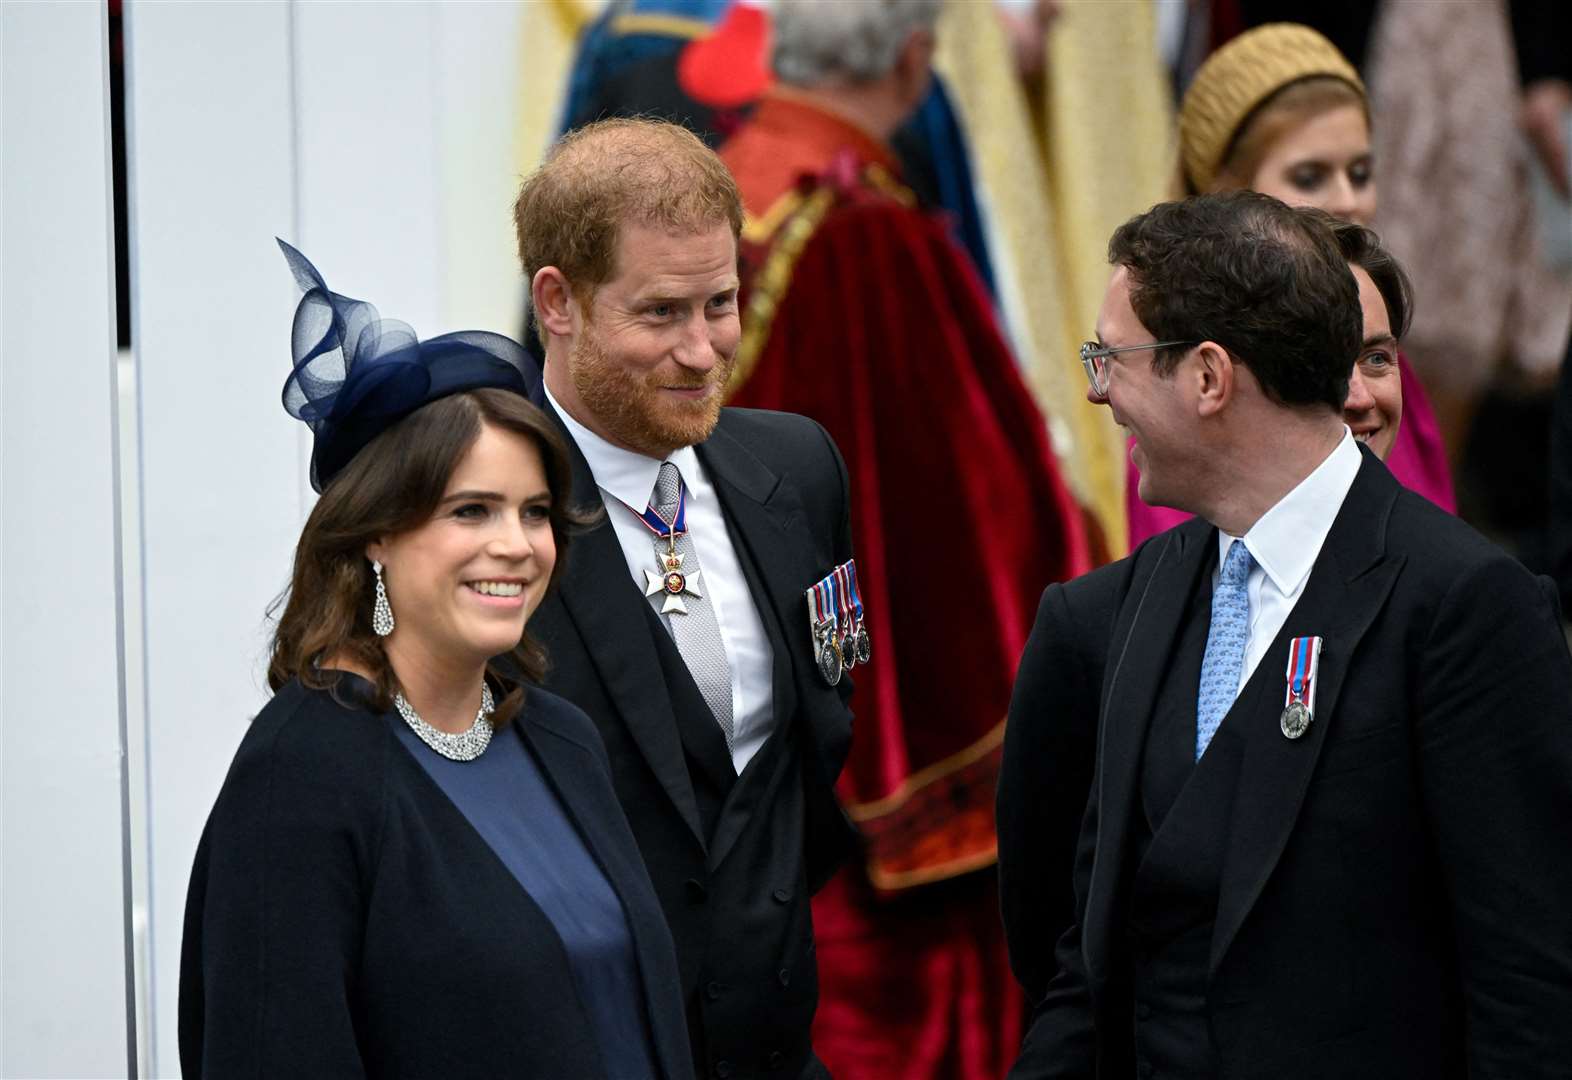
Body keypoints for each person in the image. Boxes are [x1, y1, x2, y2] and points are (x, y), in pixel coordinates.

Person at [999, 192, 1572, 1077]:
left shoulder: (1465, 606)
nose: (1094, 387)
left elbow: (1527, 989)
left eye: (1113, 357)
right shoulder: (1127, 604)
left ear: (1209, 377)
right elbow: (1085, 958)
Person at [178, 243, 692, 1079]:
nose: (515, 546)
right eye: (470, 510)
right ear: (377, 530)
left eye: (533, 512)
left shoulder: (562, 741)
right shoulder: (301, 774)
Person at [715, 2, 1089, 1075]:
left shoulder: (728, 189)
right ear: (917, 58)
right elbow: (950, 514)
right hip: (865, 803)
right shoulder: (859, 229)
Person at [998, 207, 1418, 1009]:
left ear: (1209, 378)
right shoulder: (1098, 626)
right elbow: (1068, 960)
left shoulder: (1466, 609)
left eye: (1376, 357)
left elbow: (1519, 972)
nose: (1354, 396)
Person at [513, 117, 858, 1080]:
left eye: (720, 302)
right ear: (559, 302)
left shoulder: (798, 468)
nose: (705, 351)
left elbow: (819, 731)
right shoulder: (483, 523)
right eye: (662, 314)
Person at [1127, 22, 1456, 548]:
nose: (1349, 200)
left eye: (1361, 171)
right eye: (1309, 177)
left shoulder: (1388, 361)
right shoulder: (1190, 389)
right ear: (1227, 192)